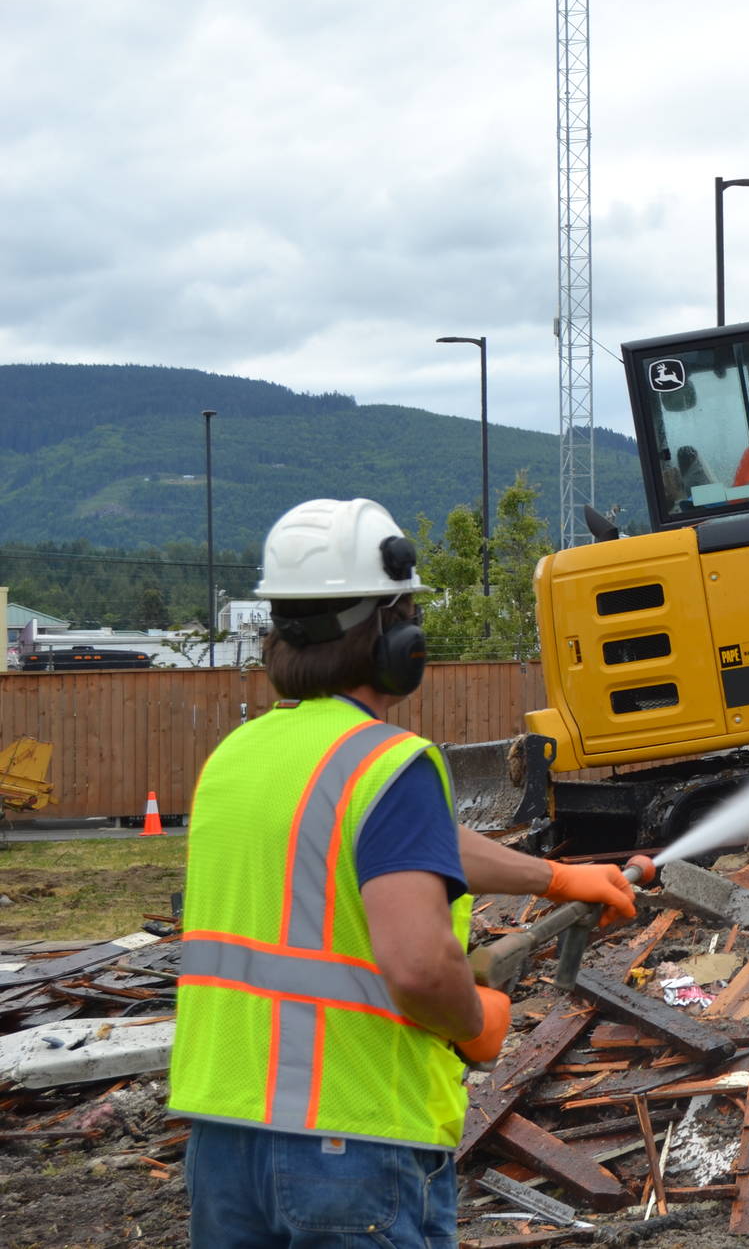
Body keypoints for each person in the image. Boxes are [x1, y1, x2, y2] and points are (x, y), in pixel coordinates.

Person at [168, 497, 656, 1248]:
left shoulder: (238, 758)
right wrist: (475, 1022)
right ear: (396, 637)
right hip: (351, 1141)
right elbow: (420, 966)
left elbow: (409, 847)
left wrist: (556, 879)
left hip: (224, 1136)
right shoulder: (389, 764)